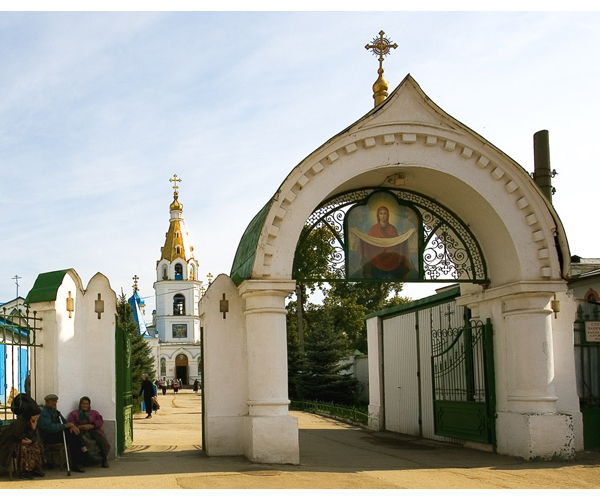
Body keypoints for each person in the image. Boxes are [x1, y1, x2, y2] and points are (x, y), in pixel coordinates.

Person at [354, 206, 415, 279]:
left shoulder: (392, 228)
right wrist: (361, 236)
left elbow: (396, 243)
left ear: (388, 215)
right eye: (381, 213)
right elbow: (370, 243)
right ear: (378, 215)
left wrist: (404, 237)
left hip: (391, 258)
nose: (383, 216)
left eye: (385, 214)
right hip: (376, 258)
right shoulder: (373, 229)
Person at [38, 394, 87, 473]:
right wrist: (65, 426)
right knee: (71, 435)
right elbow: (48, 427)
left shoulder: (56, 412)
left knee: (73, 433)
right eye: (52, 401)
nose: (54, 403)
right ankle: (83, 453)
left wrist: (72, 426)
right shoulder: (44, 413)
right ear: (47, 402)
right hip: (48, 436)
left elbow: (65, 421)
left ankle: (79, 460)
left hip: (57, 434)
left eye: (55, 401)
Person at [0, 403, 45, 480]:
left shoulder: (31, 422)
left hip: (18, 442)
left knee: (36, 445)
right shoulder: (19, 423)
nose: (38, 417)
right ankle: (24, 471)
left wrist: (32, 433)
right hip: (8, 446)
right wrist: (31, 432)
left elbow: (34, 437)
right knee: (25, 448)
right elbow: (20, 437)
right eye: (36, 415)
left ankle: (34, 469)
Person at [67, 397, 110, 468]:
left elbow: (100, 421)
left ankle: (104, 460)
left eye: (87, 404)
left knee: (102, 440)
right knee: (80, 442)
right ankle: (83, 460)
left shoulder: (94, 413)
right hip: (80, 431)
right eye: (83, 404)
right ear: (80, 404)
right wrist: (79, 427)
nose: (85, 405)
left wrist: (92, 425)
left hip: (94, 431)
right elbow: (71, 422)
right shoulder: (74, 413)